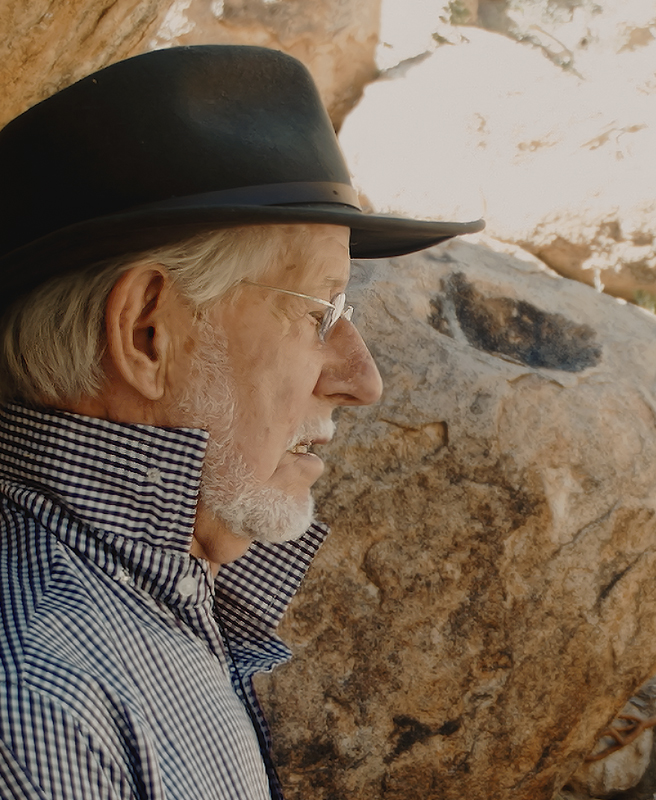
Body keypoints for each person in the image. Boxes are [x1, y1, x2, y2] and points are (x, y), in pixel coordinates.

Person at [0, 45, 482, 798]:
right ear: (146, 333)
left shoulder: (149, 600)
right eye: (321, 311)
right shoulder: (44, 698)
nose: (365, 381)